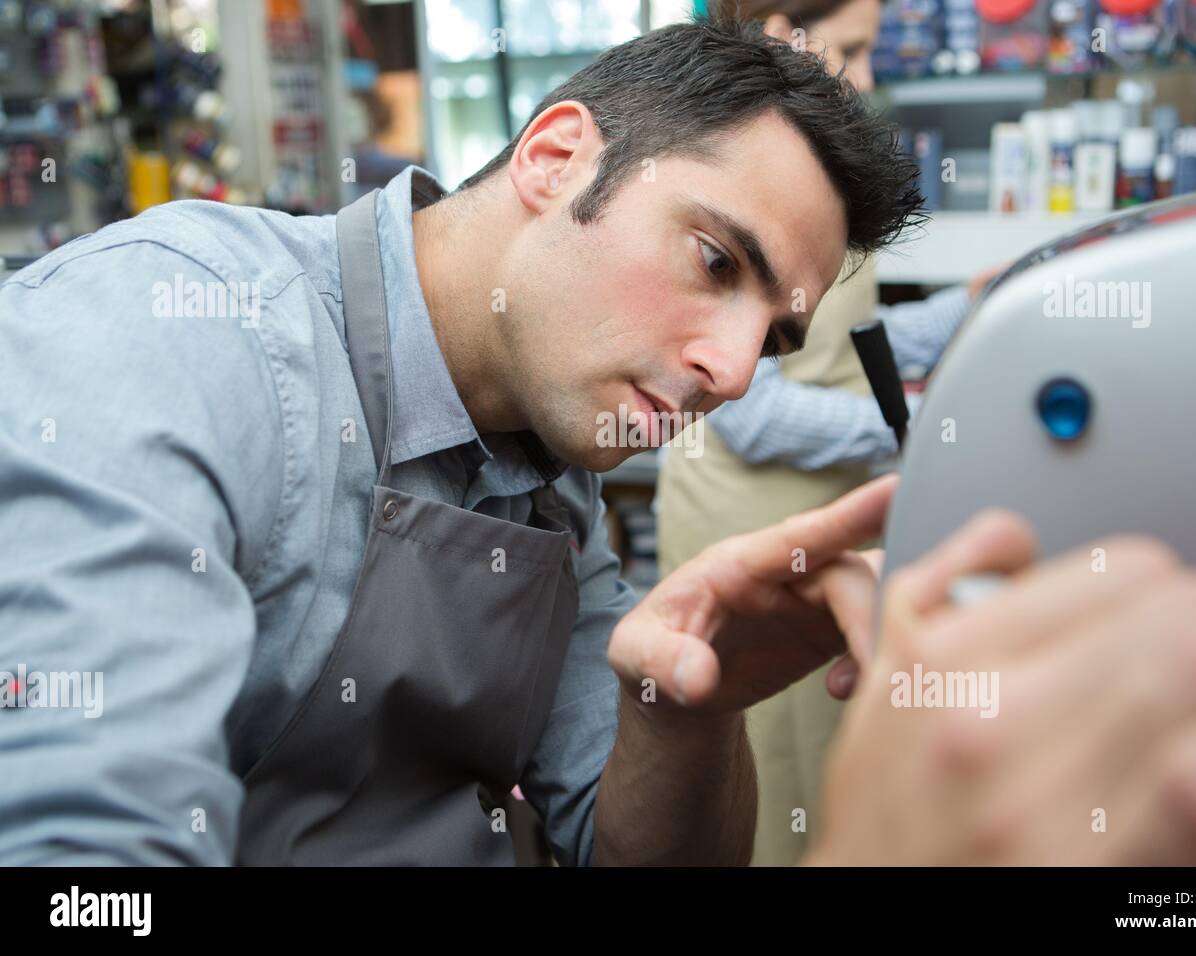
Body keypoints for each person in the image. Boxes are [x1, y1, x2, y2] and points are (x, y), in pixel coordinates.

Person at [0, 16, 918, 866]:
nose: (732, 370)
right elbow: (82, 858)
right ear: (556, 159)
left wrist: (690, 702)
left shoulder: (552, 482)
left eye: (771, 338)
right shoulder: (176, 328)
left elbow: (634, 851)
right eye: (717, 261)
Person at [657, 0, 978, 865]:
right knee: (773, 780)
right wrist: (920, 433)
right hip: (749, 523)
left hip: (823, 518)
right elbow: (758, 417)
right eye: (851, 50)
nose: (867, 78)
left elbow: (851, 348)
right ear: (778, 35)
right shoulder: (735, 185)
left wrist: (977, 306)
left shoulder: (819, 173)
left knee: (830, 766)